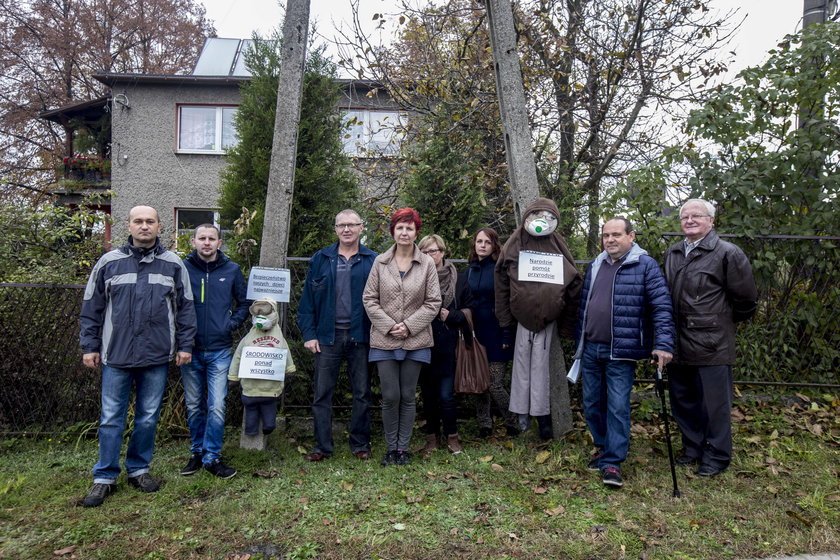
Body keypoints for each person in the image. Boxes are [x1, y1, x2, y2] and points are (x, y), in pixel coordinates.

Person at [79, 205, 196, 507]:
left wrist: (185, 346)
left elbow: (186, 309)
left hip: (156, 356)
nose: (144, 226)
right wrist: (89, 346)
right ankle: (104, 477)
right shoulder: (109, 263)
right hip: (116, 355)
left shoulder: (173, 264)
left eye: (150, 222)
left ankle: (139, 469)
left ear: (160, 227)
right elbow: (92, 308)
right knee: (110, 418)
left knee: (147, 418)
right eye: (138, 221)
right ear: (128, 226)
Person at [573, 217, 675, 488]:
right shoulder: (597, 264)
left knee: (617, 406)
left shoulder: (645, 265)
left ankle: (613, 463)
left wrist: (663, 344)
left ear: (631, 236)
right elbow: (585, 306)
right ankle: (603, 447)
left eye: (616, 234)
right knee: (592, 403)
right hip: (592, 348)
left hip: (621, 349)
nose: (610, 240)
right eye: (606, 235)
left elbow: (661, 306)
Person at [664, 199, 758, 477]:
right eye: (685, 217)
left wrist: (717, 323)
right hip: (677, 342)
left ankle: (717, 456)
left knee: (714, 404)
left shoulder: (727, 253)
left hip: (712, 343)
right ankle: (692, 448)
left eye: (697, 216)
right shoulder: (674, 252)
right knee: (683, 400)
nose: (690, 220)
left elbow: (746, 301)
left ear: (711, 221)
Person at [495, 198, 582, 440]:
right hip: (521, 318)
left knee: (541, 370)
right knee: (521, 368)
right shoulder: (516, 241)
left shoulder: (557, 244)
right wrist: (505, 319)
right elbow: (501, 279)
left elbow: (574, 282)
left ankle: (542, 417)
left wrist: (566, 325)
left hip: (548, 319)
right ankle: (521, 415)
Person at [363, 208, 441, 466]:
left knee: (408, 395)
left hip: (416, 340)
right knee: (390, 396)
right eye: (400, 227)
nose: (404, 232)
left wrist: (408, 326)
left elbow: (433, 302)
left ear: (416, 232)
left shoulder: (427, 263)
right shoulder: (380, 262)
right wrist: (389, 325)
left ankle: (403, 449)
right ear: (393, 231)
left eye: (409, 228)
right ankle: (390, 447)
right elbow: (369, 299)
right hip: (384, 340)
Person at [297, 209, 377, 462]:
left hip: (361, 335)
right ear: (335, 229)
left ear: (361, 228)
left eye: (352, 225)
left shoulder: (373, 260)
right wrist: (310, 334)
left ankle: (360, 443)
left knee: (362, 393)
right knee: (322, 394)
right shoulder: (321, 259)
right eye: (341, 225)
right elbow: (307, 301)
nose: (346, 230)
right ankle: (322, 446)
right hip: (326, 337)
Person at [179, 224, 249, 479]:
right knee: (195, 405)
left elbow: (244, 303)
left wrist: (229, 325)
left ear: (220, 243)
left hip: (220, 350)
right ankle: (197, 452)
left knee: (217, 405)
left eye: (212, 238)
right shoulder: (183, 270)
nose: (206, 243)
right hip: (190, 349)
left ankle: (213, 457)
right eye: (202, 238)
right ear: (194, 242)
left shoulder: (231, 270)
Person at [416, 234, 473, 455]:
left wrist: (450, 316)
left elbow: (469, 310)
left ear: (442, 252)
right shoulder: (416, 277)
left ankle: (452, 437)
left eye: (434, 251)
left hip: (449, 346)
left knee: (446, 396)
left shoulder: (458, 279)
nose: (431, 255)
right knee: (428, 396)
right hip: (423, 343)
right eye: (425, 252)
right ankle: (432, 438)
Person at [465, 228, 517, 437]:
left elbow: (506, 303)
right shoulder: (470, 269)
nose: (483, 245)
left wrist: (506, 334)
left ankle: (513, 421)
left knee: (495, 384)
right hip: (474, 334)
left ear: (494, 245)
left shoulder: (500, 270)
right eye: (479, 241)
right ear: (474, 244)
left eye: (487, 242)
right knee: (479, 384)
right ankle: (484, 424)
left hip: (497, 333)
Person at [228, 298, 296, 436]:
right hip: (264, 389)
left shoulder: (248, 339)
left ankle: (258, 428)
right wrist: (290, 369)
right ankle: (260, 428)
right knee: (263, 407)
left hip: (256, 389)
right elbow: (238, 357)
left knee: (259, 407)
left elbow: (237, 357)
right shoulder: (252, 338)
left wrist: (233, 378)